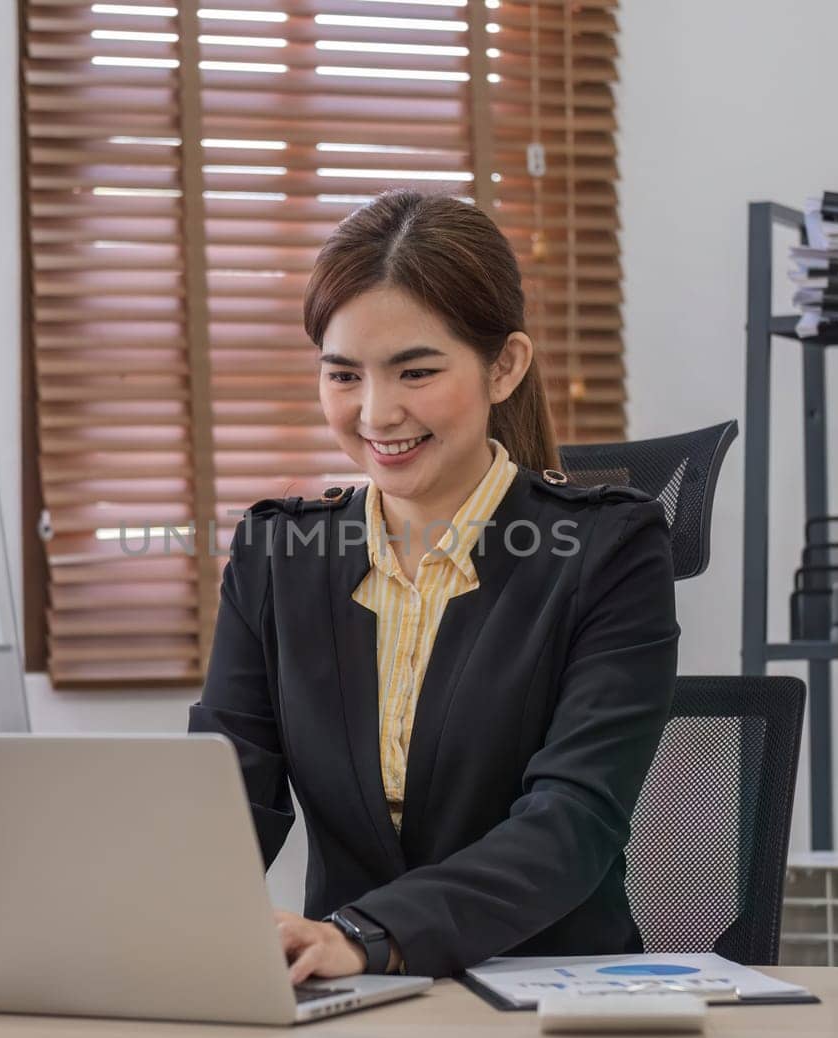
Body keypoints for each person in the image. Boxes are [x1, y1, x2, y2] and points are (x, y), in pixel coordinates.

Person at [189, 189, 678, 982]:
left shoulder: (609, 553)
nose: (377, 412)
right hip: (351, 1007)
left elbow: (572, 823)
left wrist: (365, 933)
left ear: (505, 366)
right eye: (343, 374)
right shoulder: (278, 555)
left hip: (550, 1001)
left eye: (415, 370)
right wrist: (130, 912)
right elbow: (224, 805)